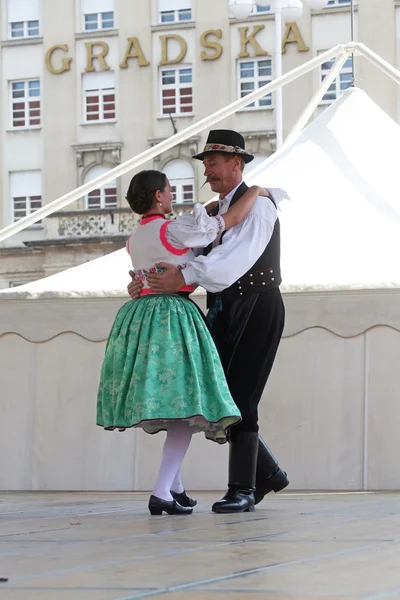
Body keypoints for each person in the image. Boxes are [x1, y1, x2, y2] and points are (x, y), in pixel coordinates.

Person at [128, 130, 289, 514]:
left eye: (213, 163)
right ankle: (266, 474)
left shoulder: (260, 207)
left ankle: (243, 488)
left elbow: (231, 261)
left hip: (256, 303)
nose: (208, 171)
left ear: (237, 164)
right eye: (205, 165)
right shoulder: (213, 213)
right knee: (216, 396)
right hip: (220, 307)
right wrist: (151, 281)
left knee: (242, 395)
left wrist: (182, 278)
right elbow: (183, 254)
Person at [97, 168, 271, 516]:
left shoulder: (135, 238)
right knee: (183, 407)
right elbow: (227, 221)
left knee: (173, 402)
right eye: (169, 191)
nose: (173, 196)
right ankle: (162, 492)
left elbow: (143, 275)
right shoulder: (173, 229)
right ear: (159, 196)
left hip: (139, 315)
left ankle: (175, 489)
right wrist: (258, 192)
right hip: (173, 316)